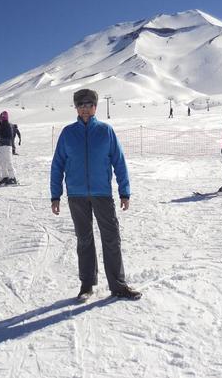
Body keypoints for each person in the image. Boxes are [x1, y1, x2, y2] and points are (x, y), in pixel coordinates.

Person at [50, 88, 141, 300]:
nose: (84, 109)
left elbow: (119, 162)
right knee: (84, 240)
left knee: (111, 239)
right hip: (76, 194)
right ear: (76, 108)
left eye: (89, 104)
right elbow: (57, 165)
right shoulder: (67, 133)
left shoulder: (105, 131)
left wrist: (124, 191)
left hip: (102, 193)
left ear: (95, 107)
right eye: (80, 105)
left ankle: (118, 285)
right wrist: (55, 195)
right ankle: (87, 285)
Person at [0, 111, 17, 185]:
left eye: (3, 117)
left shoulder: (8, 125)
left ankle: (12, 178)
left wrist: (0, 138)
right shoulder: (0, 125)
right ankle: (5, 177)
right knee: (2, 162)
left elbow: (9, 137)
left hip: (7, 146)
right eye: (1, 117)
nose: (2, 118)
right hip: (1, 146)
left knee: (8, 162)